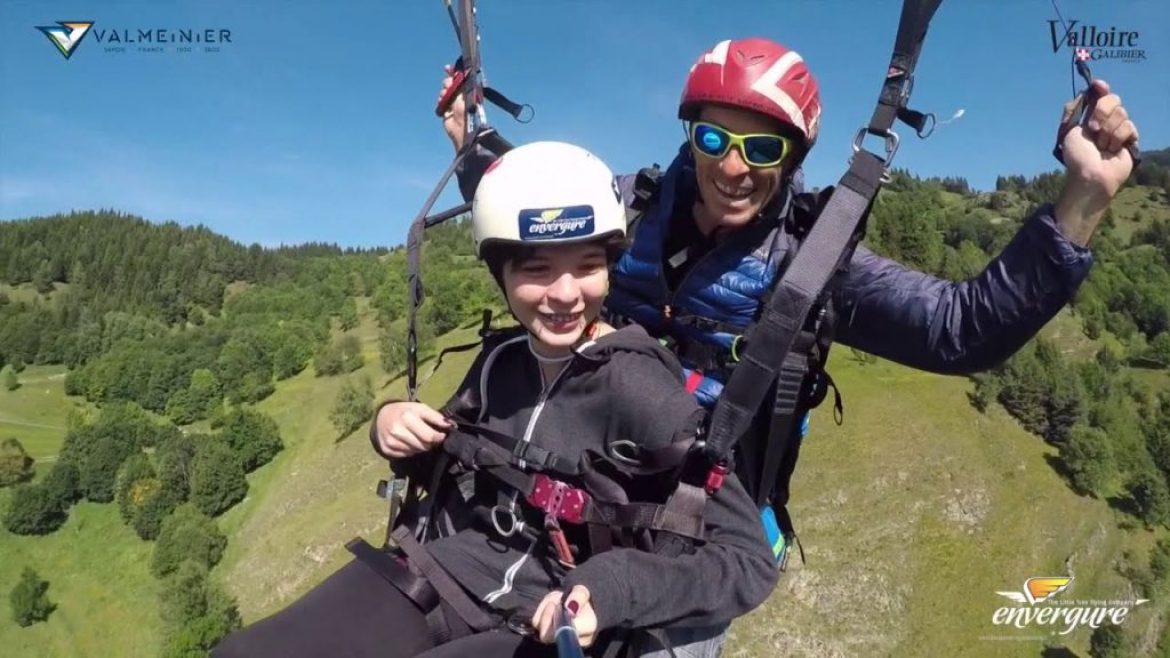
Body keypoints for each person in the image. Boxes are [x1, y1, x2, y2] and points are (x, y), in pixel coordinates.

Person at [439, 36, 1140, 657]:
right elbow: (537, 215)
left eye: (762, 148)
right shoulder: (628, 209)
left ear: (795, 156)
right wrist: (473, 143)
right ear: (691, 137)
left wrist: (1085, 198)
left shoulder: (812, 265)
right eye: (715, 140)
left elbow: (959, 330)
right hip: (585, 480)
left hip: (706, 525)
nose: (734, 167)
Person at [212, 141, 777, 658]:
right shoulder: (500, 362)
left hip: (536, 620)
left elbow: (749, 562)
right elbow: (445, 458)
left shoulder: (639, 387)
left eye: (587, 267)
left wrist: (613, 587)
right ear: (500, 276)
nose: (564, 294)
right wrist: (390, 426)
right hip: (437, 574)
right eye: (537, 270)